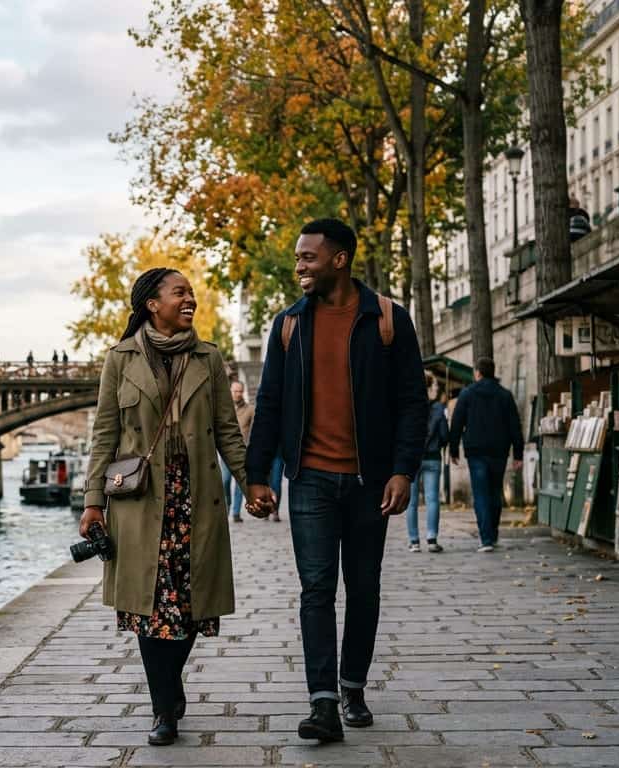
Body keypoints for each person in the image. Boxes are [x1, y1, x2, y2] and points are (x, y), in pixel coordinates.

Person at [245, 218, 427, 742]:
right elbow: (270, 404)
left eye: (308, 257)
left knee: (364, 587)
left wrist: (402, 470)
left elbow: (412, 402)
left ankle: (353, 687)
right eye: (298, 257)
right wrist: (257, 476)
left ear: (339, 259)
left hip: (371, 482)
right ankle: (322, 703)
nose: (299, 266)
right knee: (316, 589)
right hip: (311, 481)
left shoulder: (388, 319)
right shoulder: (289, 324)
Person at [80, 267, 248, 747]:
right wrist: (93, 502)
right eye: (180, 292)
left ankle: (168, 690)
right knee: (149, 606)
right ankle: (164, 709)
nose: (190, 298)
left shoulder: (208, 358)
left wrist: (251, 483)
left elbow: (227, 430)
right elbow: (105, 435)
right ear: (153, 304)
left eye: (191, 292)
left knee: (190, 606)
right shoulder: (120, 359)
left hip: (196, 499)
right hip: (139, 503)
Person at [447, 357, 523, 553]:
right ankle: (493, 534)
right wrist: (518, 453)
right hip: (499, 451)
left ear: (478, 373)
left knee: (480, 494)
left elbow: (457, 423)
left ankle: (486, 538)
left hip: (476, 451)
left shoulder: (467, 394)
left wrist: (453, 449)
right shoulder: (505, 395)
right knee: (495, 492)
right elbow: (515, 425)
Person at [406, 379, 449, 553]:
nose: (437, 389)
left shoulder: (410, 405)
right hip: (432, 457)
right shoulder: (439, 408)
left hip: (412, 458)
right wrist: (440, 444)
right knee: (432, 499)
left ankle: (414, 541)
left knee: (411, 502)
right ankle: (431, 538)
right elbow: (445, 434)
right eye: (435, 386)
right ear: (429, 388)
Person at [221, 379, 254, 522]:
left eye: (240, 391)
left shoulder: (250, 410)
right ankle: (228, 504)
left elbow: (254, 431)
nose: (238, 394)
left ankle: (235, 512)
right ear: (230, 392)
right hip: (225, 451)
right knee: (225, 481)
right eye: (235, 391)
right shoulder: (224, 408)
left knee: (241, 482)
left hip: (243, 452)